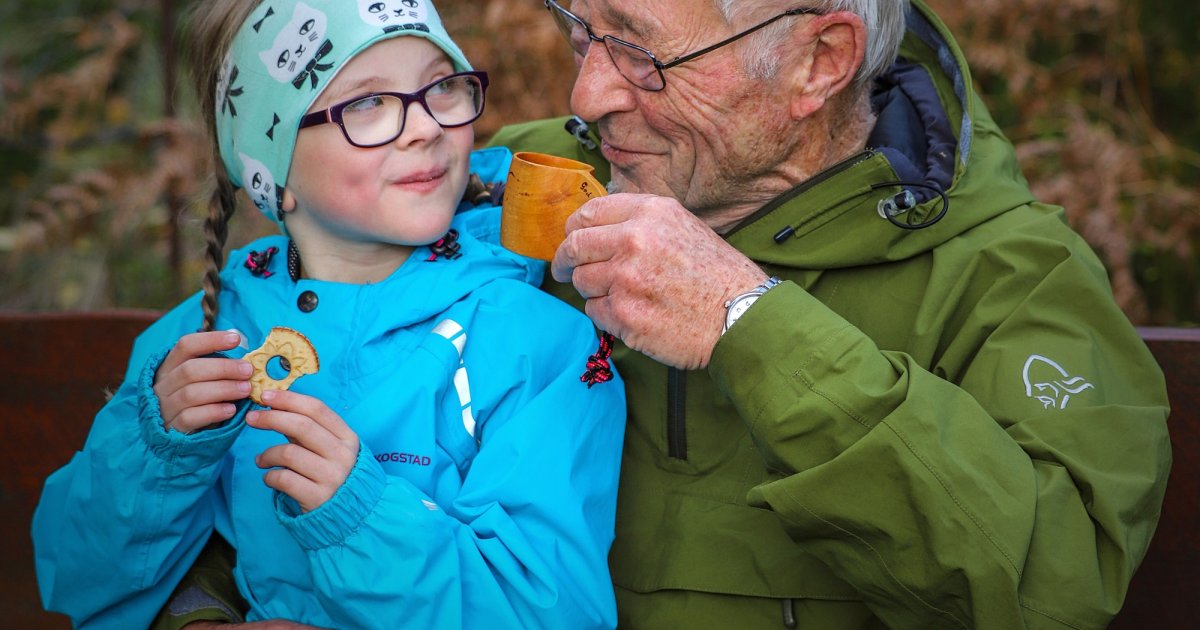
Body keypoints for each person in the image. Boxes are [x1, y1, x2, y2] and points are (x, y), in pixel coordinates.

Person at [155, 0, 1173, 628]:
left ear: (820, 60)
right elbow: (250, 393)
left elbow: (1053, 587)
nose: (587, 89)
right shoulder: (503, 182)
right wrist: (201, 619)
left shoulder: (1012, 276)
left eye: (642, 52)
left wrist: (753, 325)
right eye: (582, 29)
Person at [30, 1, 626, 628]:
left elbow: (552, 612)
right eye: (367, 103)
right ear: (274, 170)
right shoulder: (205, 341)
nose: (425, 127)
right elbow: (76, 577)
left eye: (441, 86)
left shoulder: (537, 348)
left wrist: (360, 517)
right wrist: (159, 455)